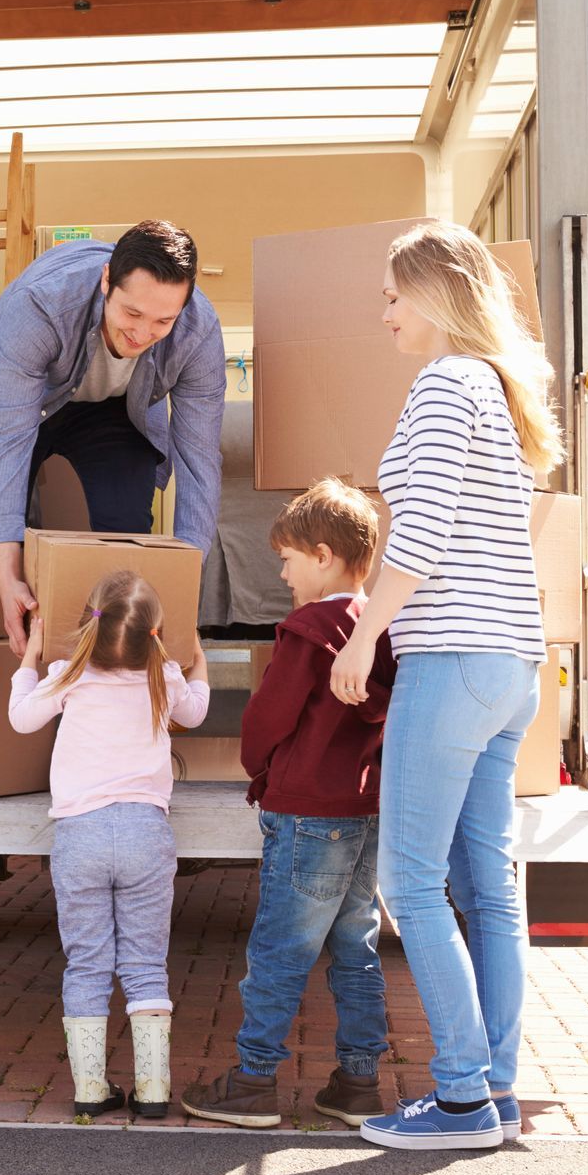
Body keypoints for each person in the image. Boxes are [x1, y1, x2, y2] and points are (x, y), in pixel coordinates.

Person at [329, 221, 563, 1151]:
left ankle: (461, 1098)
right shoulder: (497, 393)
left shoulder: (441, 385)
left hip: (454, 660)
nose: (384, 313)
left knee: (409, 881)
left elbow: (418, 536)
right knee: (487, 888)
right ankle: (494, 1092)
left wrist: (364, 637)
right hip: (510, 669)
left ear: (433, 292)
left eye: (392, 295)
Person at [181, 479, 397, 1130]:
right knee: (356, 948)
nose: (280, 570)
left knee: (279, 949)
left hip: (305, 814)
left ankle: (251, 1083)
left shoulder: (307, 631)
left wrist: (260, 770)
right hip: (362, 813)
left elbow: (266, 719)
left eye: (288, 557)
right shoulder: (377, 630)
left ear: (324, 556)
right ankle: (358, 1084)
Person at [0, 221, 227, 655]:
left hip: (114, 411)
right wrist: (7, 573)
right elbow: (7, 440)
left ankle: (111, 670)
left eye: (162, 321)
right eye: (132, 313)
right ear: (106, 281)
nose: (141, 334)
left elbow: (199, 461)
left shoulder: (198, 331)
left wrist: (182, 593)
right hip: (27, 403)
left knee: (127, 525)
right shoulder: (40, 307)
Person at [7, 570, 210, 1120]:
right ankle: (153, 1089)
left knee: (88, 964)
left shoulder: (67, 675)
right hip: (147, 833)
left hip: (81, 835)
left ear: (86, 625)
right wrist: (197, 660)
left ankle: (91, 1089)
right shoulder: (163, 677)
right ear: (158, 633)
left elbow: (21, 718)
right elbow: (196, 711)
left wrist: (29, 660)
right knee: (146, 963)